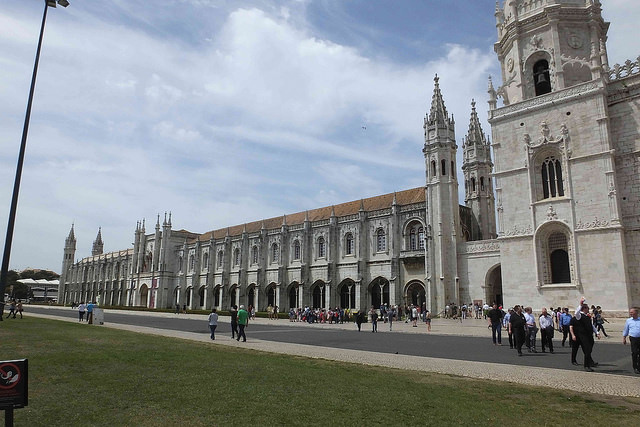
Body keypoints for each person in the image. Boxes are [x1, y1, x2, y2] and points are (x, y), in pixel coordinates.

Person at [571, 297, 600, 372]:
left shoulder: (587, 316)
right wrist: (580, 304)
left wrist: (597, 332)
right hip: (583, 336)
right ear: (584, 309)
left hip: (589, 336)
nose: (588, 309)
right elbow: (576, 313)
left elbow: (591, 325)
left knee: (589, 350)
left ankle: (590, 362)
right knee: (587, 350)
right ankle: (586, 365)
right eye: (587, 308)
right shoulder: (579, 316)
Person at [622, 307, 640, 374]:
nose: (630, 313)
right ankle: (635, 367)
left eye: (632, 312)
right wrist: (624, 338)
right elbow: (626, 329)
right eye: (630, 312)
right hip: (633, 338)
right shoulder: (628, 321)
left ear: (636, 313)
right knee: (634, 352)